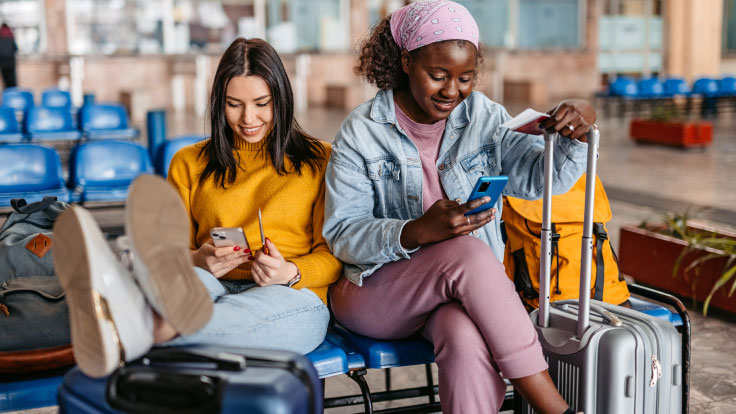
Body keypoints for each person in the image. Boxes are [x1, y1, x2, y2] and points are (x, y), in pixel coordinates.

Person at [322, 1, 593, 413]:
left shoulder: (484, 117)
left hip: (452, 298)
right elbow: (343, 235)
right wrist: (415, 231)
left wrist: (577, 130)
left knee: (462, 332)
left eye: (465, 78)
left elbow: (544, 179)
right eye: (438, 76)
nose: (453, 91)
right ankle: (554, 408)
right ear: (407, 61)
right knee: (467, 251)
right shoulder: (362, 132)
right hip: (374, 294)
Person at [53, 37, 341, 378]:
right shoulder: (188, 163)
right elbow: (170, 255)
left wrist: (290, 272)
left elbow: (335, 257)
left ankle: (140, 326)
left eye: (262, 103)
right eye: (234, 104)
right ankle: (143, 320)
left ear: (282, 98)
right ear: (219, 103)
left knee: (184, 312)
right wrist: (198, 260)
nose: (249, 118)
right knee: (182, 286)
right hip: (207, 286)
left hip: (292, 297)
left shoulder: (320, 159)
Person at [0, 23, 17, 88]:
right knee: (13, 81)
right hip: (11, 63)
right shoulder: (10, 36)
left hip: (3, 63)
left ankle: (7, 95)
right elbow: (16, 49)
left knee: (6, 82)